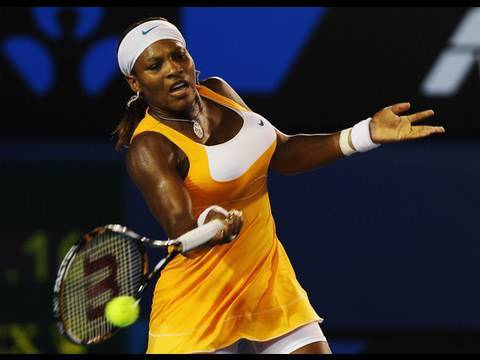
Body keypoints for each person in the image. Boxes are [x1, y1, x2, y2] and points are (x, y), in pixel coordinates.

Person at [113, 17, 445, 354]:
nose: (174, 69)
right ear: (135, 82)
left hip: (266, 278)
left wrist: (365, 134)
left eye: (179, 56)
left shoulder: (218, 91)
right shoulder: (149, 147)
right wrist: (209, 225)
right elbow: (179, 225)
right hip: (198, 299)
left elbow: (282, 153)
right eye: (156, 66)